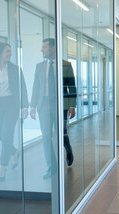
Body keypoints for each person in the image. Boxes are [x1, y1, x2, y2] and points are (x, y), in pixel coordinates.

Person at [30, 38, 77, 179]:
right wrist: (32, 105)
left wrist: (72, 105)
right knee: (45, 136)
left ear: (53, 48)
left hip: (60, 106)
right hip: (43, 106)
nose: (41, 50)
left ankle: (68, 150)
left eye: (44, 47)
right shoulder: (39, 66)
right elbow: (35, 87)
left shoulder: (65, 65)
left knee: (61, 133)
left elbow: (72, 87)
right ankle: (52, 167)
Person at [0, 43, 29, 182]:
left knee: (7, 133)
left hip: (11, 105)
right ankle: (14, 152)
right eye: (8, 51)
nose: (10, 54)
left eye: (10, 51)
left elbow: (23, 88)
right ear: (0, 52)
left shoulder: (15, 69)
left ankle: (2, 167)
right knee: (1, 135)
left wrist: (24, 107)